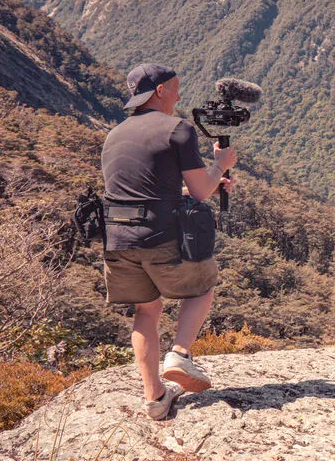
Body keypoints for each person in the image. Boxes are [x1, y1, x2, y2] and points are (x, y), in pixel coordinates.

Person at [101, 64, 237, 419]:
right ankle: (180, 354)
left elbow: (138, 191)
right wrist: (220, 165)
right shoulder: (179, 130)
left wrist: (202, 181)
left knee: (147, 310)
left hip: (116, 237)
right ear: (159, 91)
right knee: (203, 285)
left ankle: (155, 399)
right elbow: (201, 191)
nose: (178, 95)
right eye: (175, 88)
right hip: (160, 235)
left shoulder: (115, 134)